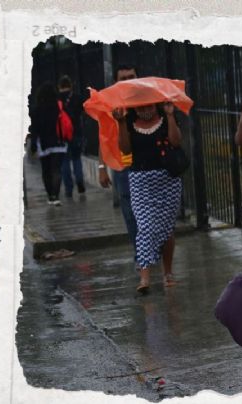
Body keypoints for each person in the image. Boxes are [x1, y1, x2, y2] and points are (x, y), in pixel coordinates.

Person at [114, 101, 183, 293]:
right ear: (134, 107)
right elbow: (125, 150)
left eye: (148, 106)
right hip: (140, 182)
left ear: (156, 105)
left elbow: (176, 141)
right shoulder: (128, 122)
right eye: (140, 107)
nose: (145, 110)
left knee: (167, 229)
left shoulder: (166, 117)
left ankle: (167, 273)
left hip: (167, 181)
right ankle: (144, 278)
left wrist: (170, 115)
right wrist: (120, 123)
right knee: (145, 227)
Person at [97, 64, 139, 269]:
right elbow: (103, 136)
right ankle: (140, 252)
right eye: (123, 78)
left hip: (145, 162)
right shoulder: (109, 103)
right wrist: (101, 167)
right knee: (130, 212)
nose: (127, 80)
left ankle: (149, 248)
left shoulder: (145, 98)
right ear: (116, 81)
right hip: (122, 165)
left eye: (131, 76)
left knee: (147, 209)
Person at [29, 82, 68, 206]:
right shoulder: (58, 107)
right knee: (56, 169)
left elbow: (34, 129)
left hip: (44, 144)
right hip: (58, 142)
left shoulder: (36, 110)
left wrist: (33, 144)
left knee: (46, 170)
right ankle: (56, 195)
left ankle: (50, 195)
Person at [57, 75, 86, 197]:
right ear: (70, 85)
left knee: (64, 162)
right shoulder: (77, 97)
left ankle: (68, 189)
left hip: (62, 136)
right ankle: (80, 182)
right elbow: (84, 110)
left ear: (59, 87)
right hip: (76, 133)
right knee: (76, 159)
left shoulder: (56, 99)